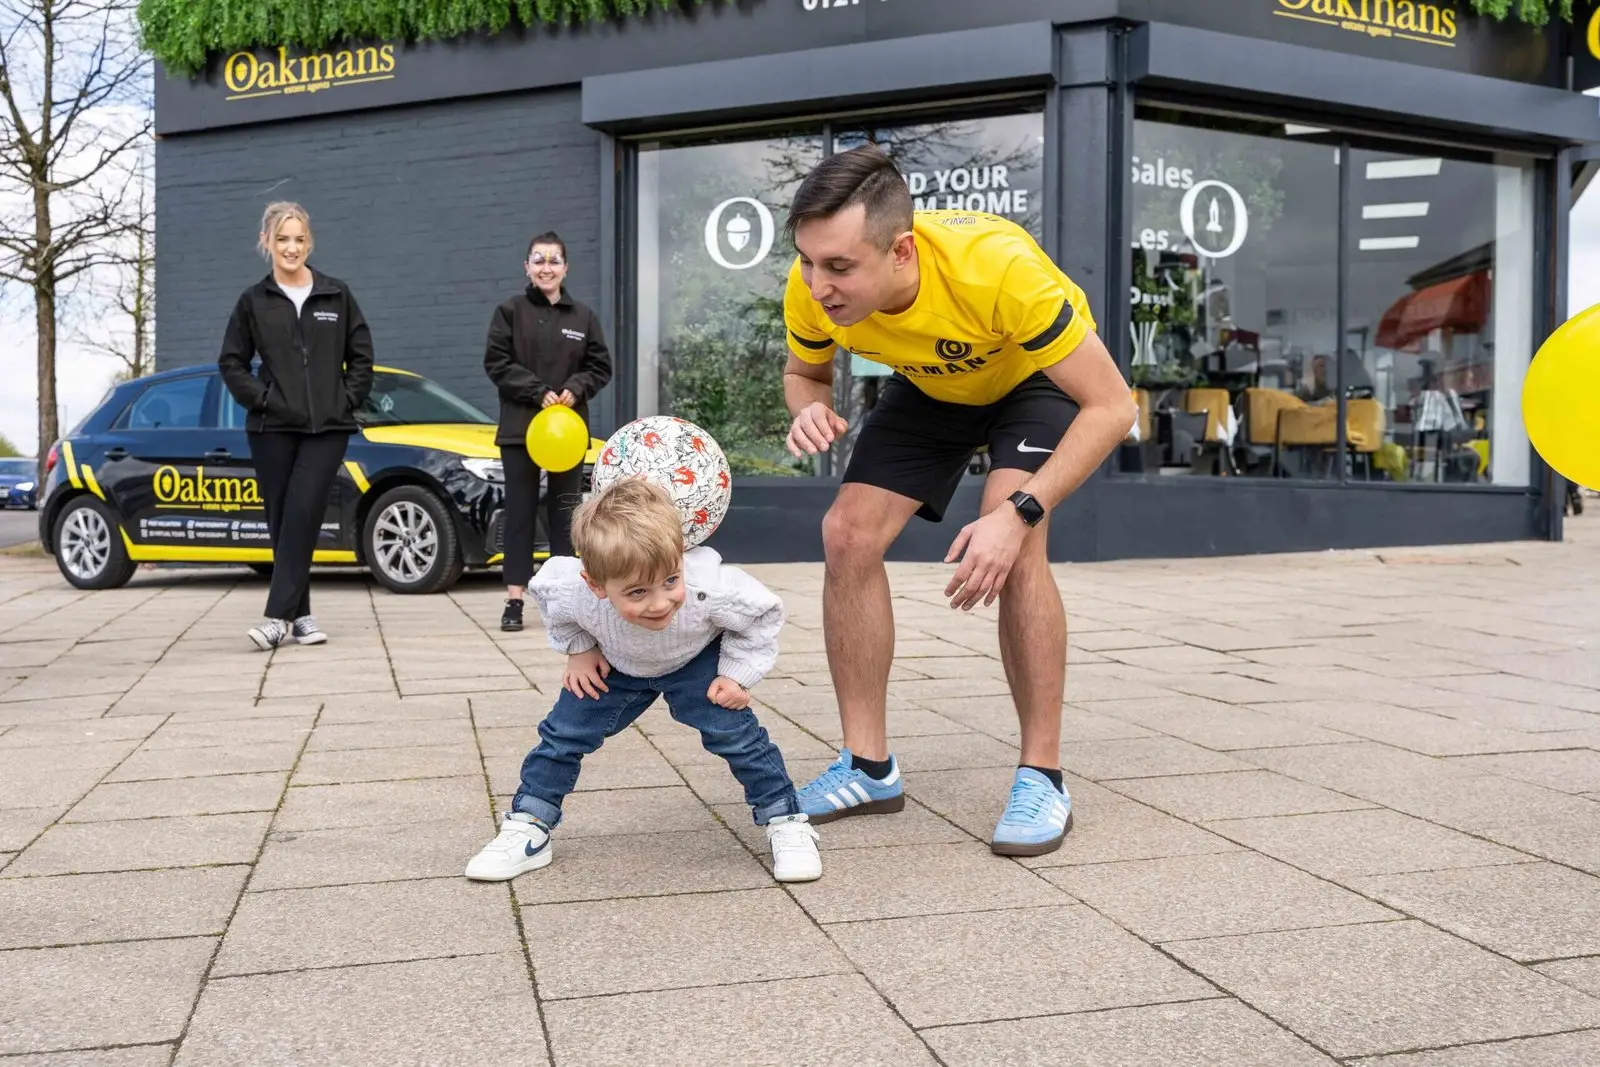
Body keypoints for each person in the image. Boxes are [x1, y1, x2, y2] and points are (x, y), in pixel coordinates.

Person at [779, 144, 1138, 858]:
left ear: (902, 251)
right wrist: (806, 407)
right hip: (932, 385)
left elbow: (1112, 405)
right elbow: (804, 370)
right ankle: (868, 766)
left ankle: (1043, 776)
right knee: (846, 534)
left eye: (839, 267)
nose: (819, 285)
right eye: (809, 262)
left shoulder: (998, 268)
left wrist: (1019, 513)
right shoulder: (812, 283)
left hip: (1035, 379)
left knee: (1018, 543)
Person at [462, 477, 822, 884]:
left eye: (671, 581)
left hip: (694, 661)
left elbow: (762, 616)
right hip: (614, 666)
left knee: (736, 736)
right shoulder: (573, 589)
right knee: (563, 735)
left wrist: (737, 675)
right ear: (596, 585)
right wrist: (579, 650)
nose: (659, 602)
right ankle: (529, 826)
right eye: (636, 592)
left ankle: (786, 820)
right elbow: (549, 598)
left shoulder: (710, 587)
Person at [218, 201, 374, 651]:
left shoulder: (335, 294)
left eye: (299, 239)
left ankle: (275, 617)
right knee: (283, 521)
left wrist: (344, 399)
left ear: (310, 242)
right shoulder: (254, 301)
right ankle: (302, 615)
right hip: (272, 428)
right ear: (267, 242)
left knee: (303, 512)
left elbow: (362, 356)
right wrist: (263, 399)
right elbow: (231, 361)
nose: (291, 247)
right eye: (282, 239)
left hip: (327, 427)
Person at [484, 231, 613, 633]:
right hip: (521, 431)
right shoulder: (510, 311)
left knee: (566, 514)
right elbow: (497, 363)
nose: (546, 267)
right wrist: (537, 392)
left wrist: (575, 389)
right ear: (527, 266)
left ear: (565, 267)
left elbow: (600, 366)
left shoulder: (583, 317)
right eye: (538, 260)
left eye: (554, 260)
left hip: (568, 434)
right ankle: (515, 598)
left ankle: (565, 599)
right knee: (520, 513)